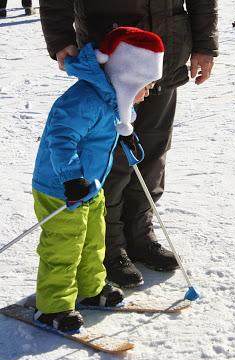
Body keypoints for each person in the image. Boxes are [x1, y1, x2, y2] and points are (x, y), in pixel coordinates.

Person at [39, 0, 219, 288]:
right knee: (111, 161)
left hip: (165, 55)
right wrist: (61, 38)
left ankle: (140, 236)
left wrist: (205, 45)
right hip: (113, 54)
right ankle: (107, 246)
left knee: (151, 154)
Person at [32, 27, 165, 332]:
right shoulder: (84, 100)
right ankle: (52, 306)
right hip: (61, 189)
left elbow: (107, 134)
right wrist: (71, 178)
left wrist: (128, 141)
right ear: (127, 78)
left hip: (91, 188)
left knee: (93, 242)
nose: (146, 94)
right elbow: (61, 139)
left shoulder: (111, 99)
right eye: (146, 86)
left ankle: (90, 289)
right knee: (63, 247)